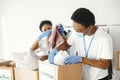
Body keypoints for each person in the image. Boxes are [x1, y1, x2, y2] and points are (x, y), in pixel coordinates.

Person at [48, 8, 113, 80]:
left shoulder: (105, 38)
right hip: (83, 75)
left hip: (99, 77)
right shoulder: (76, 33)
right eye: (75, 29)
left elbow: (105, 64)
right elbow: (66, 45)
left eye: (79, 30)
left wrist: (81, 59)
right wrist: (55, 50)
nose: (76, 32)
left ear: (90, 27)